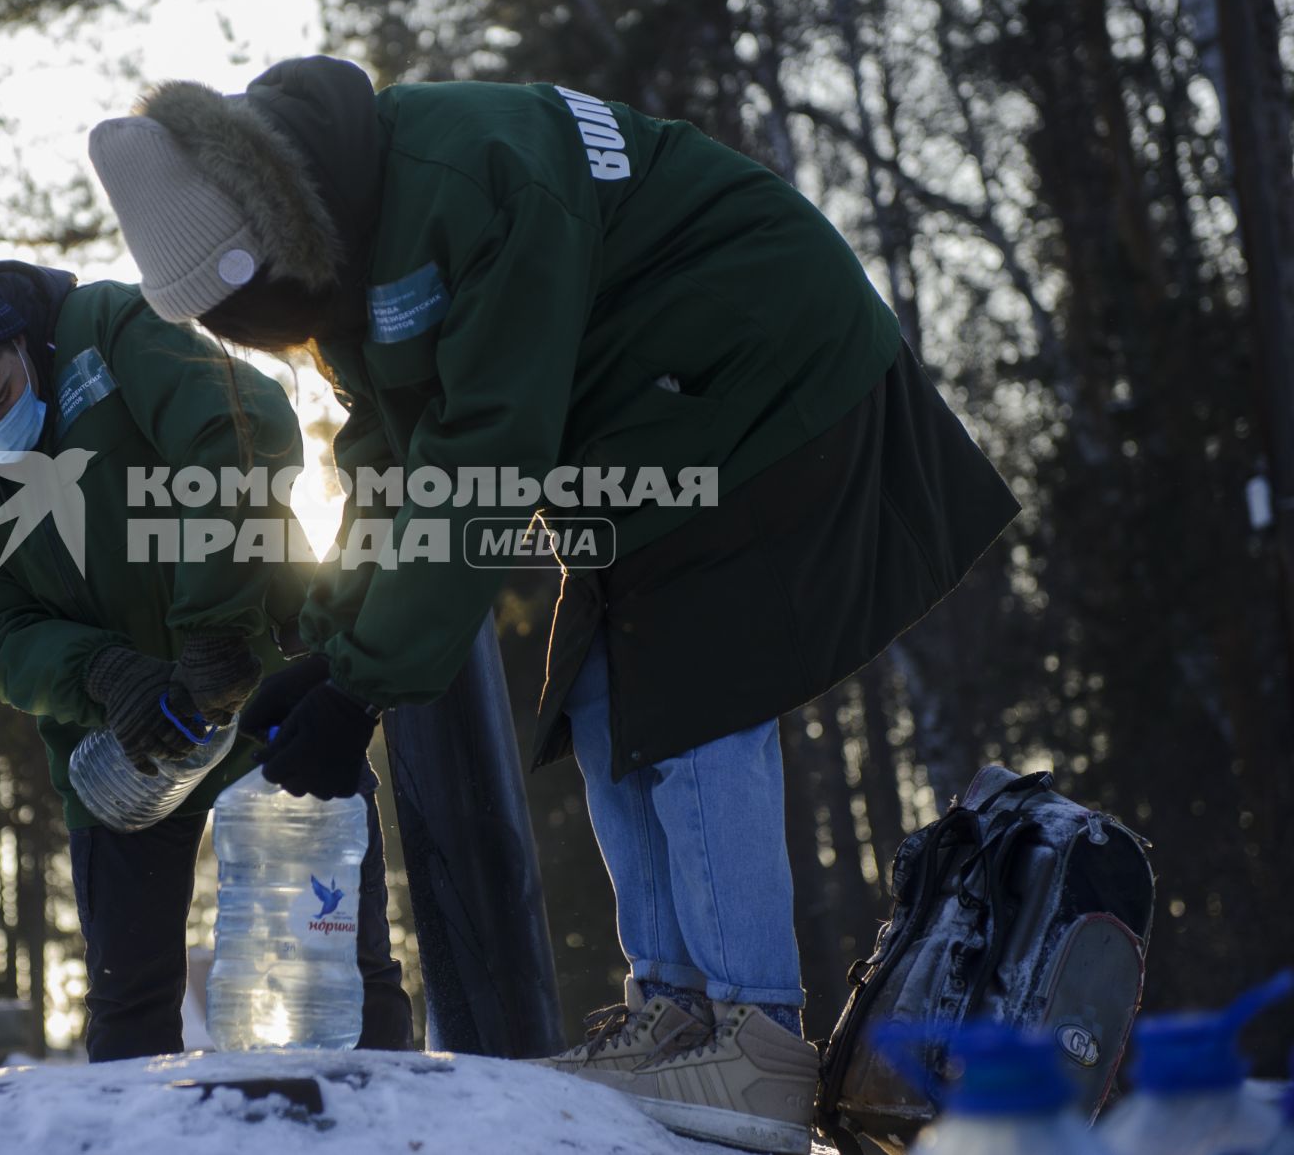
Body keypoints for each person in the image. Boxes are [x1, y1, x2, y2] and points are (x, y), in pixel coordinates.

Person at [85, 57, 1019, 1152]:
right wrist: (338, 648)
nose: (275, 345)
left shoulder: (465, 179)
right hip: (649, 414)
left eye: (261, 322)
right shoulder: (341, 236)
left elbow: (485, 456)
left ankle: (756, 1034)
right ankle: (675, 1009)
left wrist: (370, 686)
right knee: (597, 687)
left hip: (760, 369)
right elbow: (394, 460)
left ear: (268, 250)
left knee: (699, 682)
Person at [0, 258, 414, 1062]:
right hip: (129, 742)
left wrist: (213, 630)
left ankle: (388, 1132)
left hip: (267, 682)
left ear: (14, 341)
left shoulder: (108, 328)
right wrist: (101, 673)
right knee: (130, 1000)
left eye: (5, 400)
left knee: (338, 970)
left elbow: (238, 424)